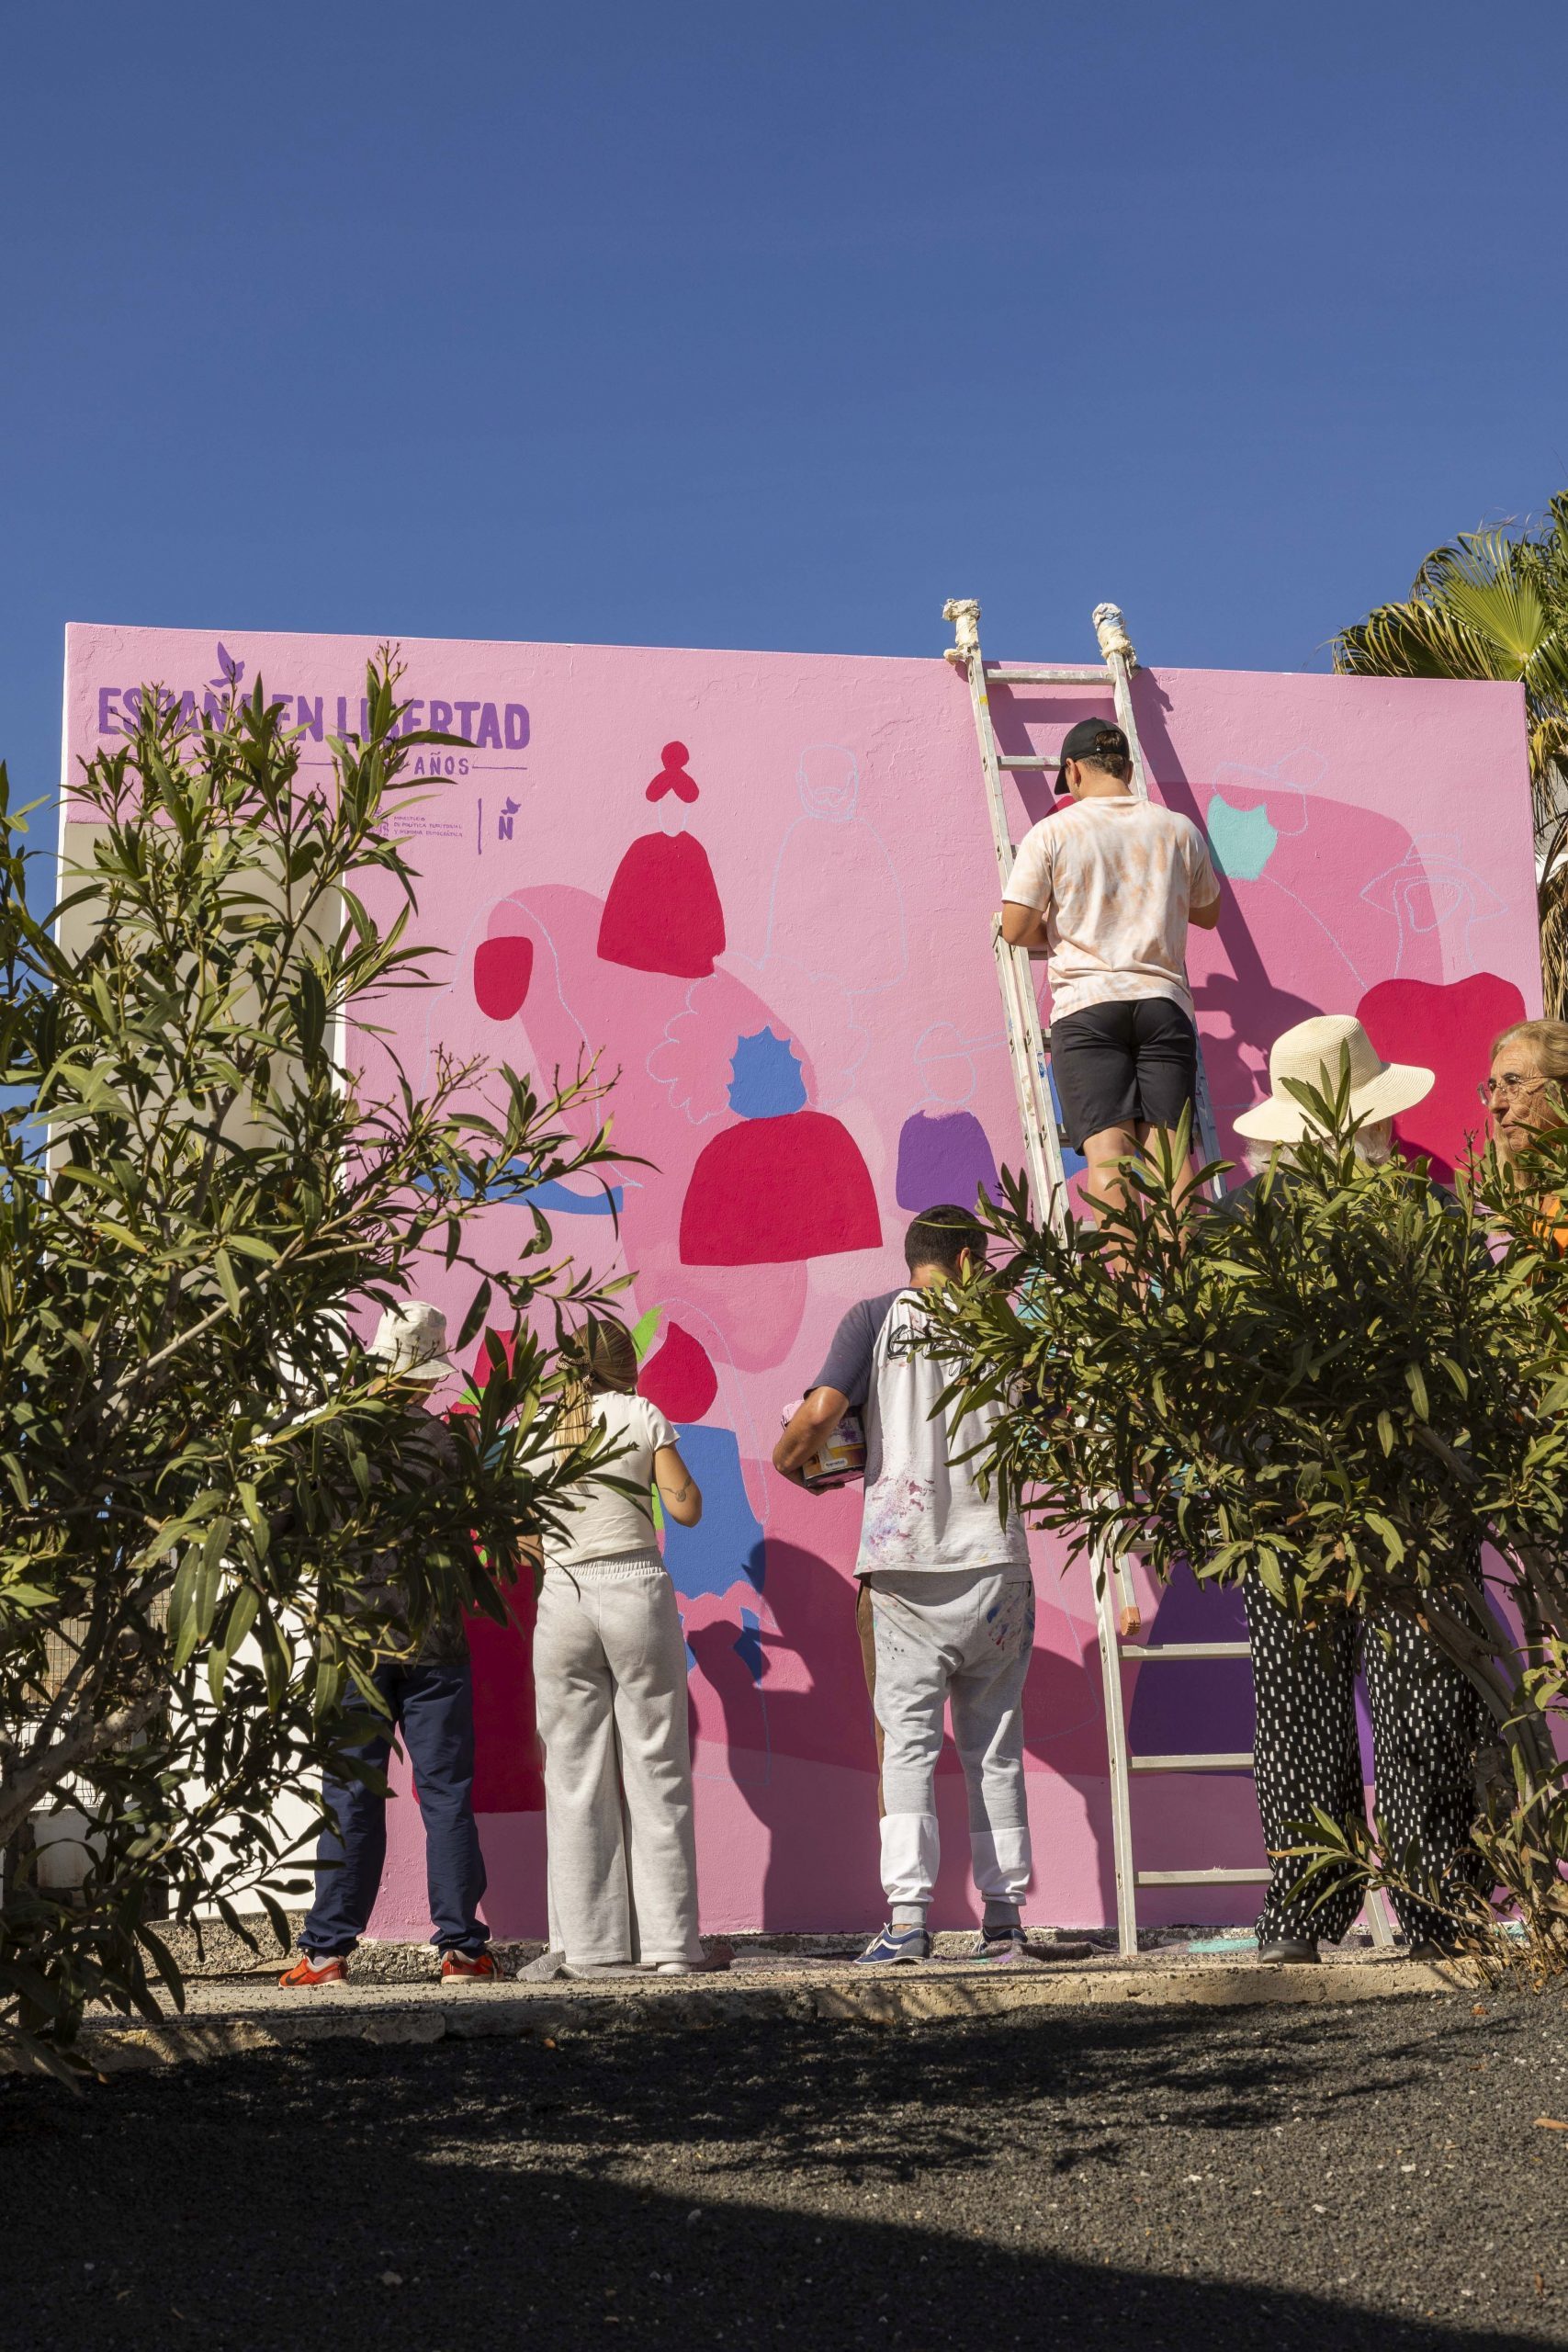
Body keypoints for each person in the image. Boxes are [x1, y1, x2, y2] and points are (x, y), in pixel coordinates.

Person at [1224, 1016, 1488, 1962]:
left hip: (1288, 1502)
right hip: (1406, 1496)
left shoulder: (1238, 1223)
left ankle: (1306, 1912)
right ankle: (1435, 1908)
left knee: (1301, 1703)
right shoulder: (1433, 1212)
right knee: (1413, 1702)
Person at [773, 1205, 1038, 1966]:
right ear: (963, 1260)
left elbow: (822, 1412)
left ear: (916, 1260)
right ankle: (1004, 1922)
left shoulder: (876, 1316)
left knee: (909, 1747)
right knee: (995, 1746)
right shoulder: (1004, 1327)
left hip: (903, 1566)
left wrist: (794, 1462)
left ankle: (908, 1922)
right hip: (995, 1561)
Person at [282, 1302, 495, 1986]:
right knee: (445, 1796)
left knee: (349, 1794)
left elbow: (283, 1530)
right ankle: (462, 1950)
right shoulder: (447, 1443)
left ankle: (327, 1952)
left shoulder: (327, 1437)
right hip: (435, 1639)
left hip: (354, 1643)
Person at [531, 1318, 716, 1977]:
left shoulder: (538, 1428)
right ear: (625, 1365)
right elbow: (686, 1508)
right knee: (656, 1765)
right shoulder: (642, 1413)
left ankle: (590, 1949)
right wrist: (677, 1487)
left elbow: (528, 1534)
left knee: (573, 1775)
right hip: (634, 1585)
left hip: (563, 1596)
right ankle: (669, 1947)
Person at [999, 718, 1223, 1224]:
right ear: (1125, 767)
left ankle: (1131, 1300)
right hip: (1161, 1002)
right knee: (1173, 1162)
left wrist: (1060, 933)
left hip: (1088, 1005)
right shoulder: (1177, 828)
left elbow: (1014, 928)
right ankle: (1190, 1292)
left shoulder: (1053, 832)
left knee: (1110, 1160)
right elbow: (1208, 915)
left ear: (1073, 771)